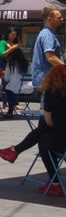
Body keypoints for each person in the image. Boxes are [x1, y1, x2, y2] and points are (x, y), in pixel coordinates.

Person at [0, 7, 65, 165]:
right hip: (48, 82)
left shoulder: (46, 34)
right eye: (59, 17)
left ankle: (15, 151)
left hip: (47, 82)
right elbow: (50, 56)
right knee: (46, 125)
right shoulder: (47, 35)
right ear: (49, 19)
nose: (62, 19)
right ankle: (15, 151)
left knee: (45, 126)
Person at [34, 64, 66, 196]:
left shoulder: (51, 93)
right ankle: (15, 150)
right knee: (45, 136)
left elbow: (49, 121)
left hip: (61, 140)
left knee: (43, 141)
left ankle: (55, 183)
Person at [0, 28, 27, 117]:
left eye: (15, 35)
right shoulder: (3, 42)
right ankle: (6, 103)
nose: (13, 37)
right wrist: (12, 48)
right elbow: (2, 54)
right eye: (12, 35)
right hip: (6, 64)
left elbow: (19, 55)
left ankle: (13, 104)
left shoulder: (16, 43)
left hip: (15, 66)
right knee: (8, 84)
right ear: (8, 34)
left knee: (11, 84)